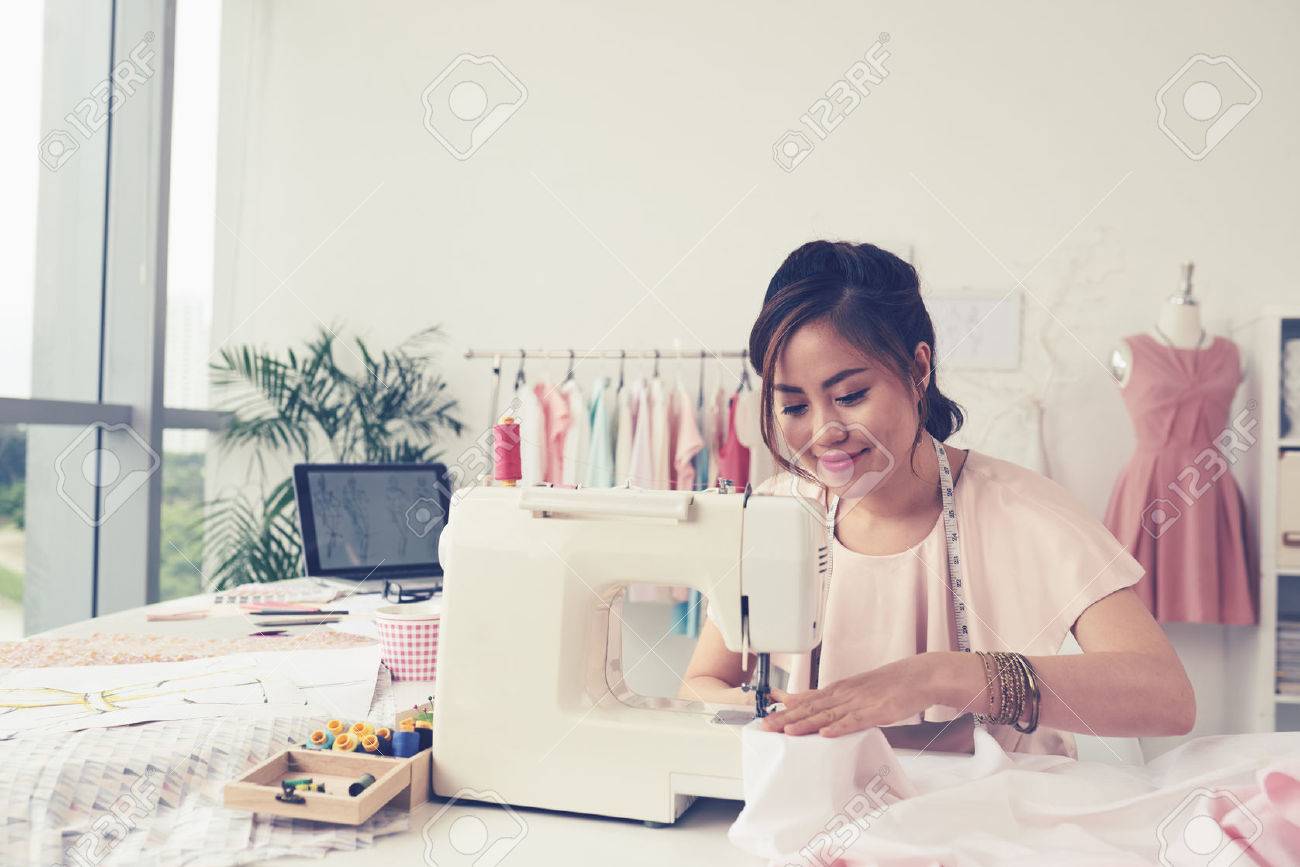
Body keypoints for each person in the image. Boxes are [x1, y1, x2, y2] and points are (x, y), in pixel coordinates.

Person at [679, 240, 1195, 758]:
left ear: (918, 369)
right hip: (826, 799)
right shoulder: (778, 515)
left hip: (1001, 803)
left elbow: (1167, 697)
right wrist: (779, 714)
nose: (823, 432)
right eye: (794, 407)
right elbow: (701, 684)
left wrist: (942, 676)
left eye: (850, 396)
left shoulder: (1021, 510)